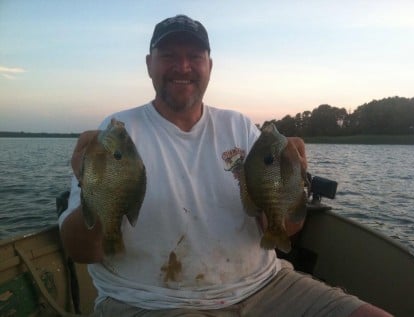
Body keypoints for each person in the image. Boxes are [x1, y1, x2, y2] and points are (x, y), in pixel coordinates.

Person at [60, 15, 392, 317]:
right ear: (149, 64)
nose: (183, 66)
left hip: (266, 286)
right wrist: (93, 186)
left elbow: (281, 231)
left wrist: (294, 182)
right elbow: (80, 251)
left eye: (195, 57)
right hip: (151, 301)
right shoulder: (116, 133)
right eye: (169, 56)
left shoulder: (240, 128)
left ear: (210, 65)